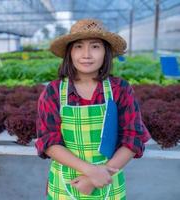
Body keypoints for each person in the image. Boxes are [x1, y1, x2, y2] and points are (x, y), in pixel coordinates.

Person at [35, 19, 151, 199]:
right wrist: (91, 171)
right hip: (65, 182)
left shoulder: (120, 89)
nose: (86, 54)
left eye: (95, 47)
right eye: (78, 47)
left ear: (106, 52)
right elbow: (49, 141)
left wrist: (100, 175)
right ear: (69, 53)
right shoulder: (54, 91)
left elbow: (133, 138)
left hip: (109, 179)